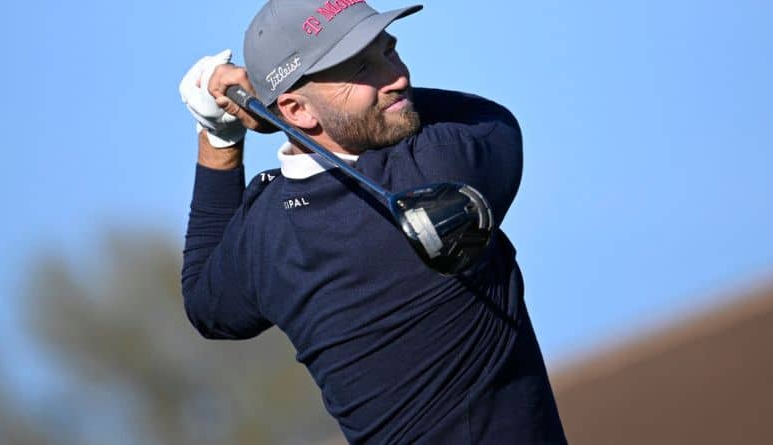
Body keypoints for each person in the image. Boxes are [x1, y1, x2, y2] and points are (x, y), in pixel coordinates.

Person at [179, 1, 568, 443]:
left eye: (389, 51)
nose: (397, 76)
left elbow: (206, 305)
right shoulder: (444, 165)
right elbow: (492, 118)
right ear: (297, 109)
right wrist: (278, 119)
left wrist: (219, 136)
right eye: (363, 69)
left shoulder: (261, 237)